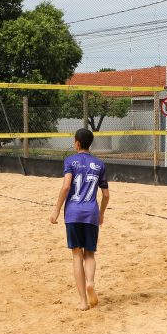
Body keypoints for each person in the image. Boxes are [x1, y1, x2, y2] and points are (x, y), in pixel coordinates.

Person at [50, 128, 110, 311]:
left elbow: (66, 186)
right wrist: (101, 213)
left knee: (77, 254)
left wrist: (57, 209)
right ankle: (90, 282)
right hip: (91, 213)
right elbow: (106, 194)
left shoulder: (70, 161)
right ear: (89, 144)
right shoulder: (100, 164)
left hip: (73, 213)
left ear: (77, 143)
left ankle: (83, 301)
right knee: (89, 254)